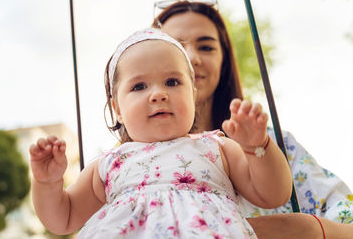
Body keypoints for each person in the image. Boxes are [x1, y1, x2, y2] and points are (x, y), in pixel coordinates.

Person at [29, 28, 293, 238]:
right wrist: (47, 183)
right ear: (117, 109)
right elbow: (62, 218)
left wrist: (258, 147)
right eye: (140, 86)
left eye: (172, 82)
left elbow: (274, 194)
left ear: (192, 95)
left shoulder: (217, 148)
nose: (158, 94)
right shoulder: (109, 165)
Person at [152, 0, 353, 238]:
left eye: (206, 47)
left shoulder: (275, 144)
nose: (192, 58)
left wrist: (308, 229)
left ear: (223, 62)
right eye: (176, 47)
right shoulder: (126, 164)